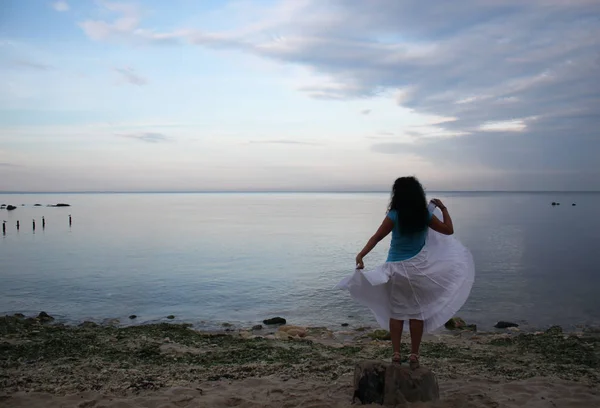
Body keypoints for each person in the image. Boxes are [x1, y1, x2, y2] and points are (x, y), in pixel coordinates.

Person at [335, 176, 474, 369]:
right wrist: (443, 208)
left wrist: (361, 255)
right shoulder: (423, 215)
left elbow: (376, 237)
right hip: (418, 270)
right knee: (417, 313)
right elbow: (448, 230)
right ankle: (415, 355)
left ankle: (397, 353)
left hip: (397, 271)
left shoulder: (395, 215)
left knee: (397, 313)